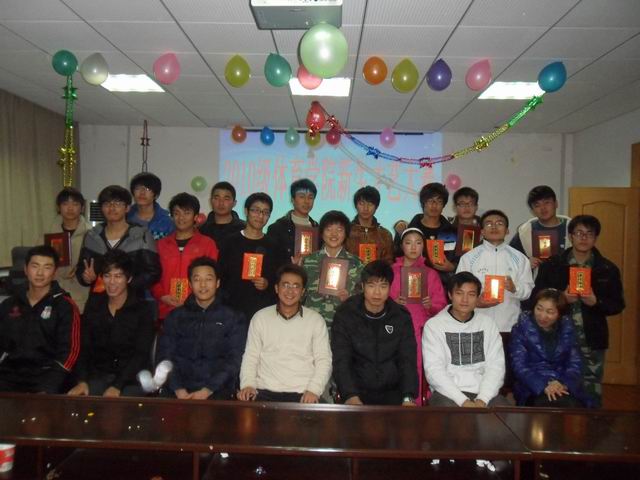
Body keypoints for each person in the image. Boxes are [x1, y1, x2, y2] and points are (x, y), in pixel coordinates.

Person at [531, 215, 624, 407]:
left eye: (589, 234)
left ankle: (592, 423)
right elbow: (536, 297)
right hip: (555, 338)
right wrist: (561, 298)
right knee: (556, 387)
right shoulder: (553, 264)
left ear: (595, 238)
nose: (583, 238)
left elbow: (617, 304)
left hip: (592, 338)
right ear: (571, 236)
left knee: (591, 389)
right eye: (579, 233)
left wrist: (596, 302)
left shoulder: (607, 268)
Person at [238, 264, 332, 403]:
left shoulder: (315, 320)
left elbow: (324, 360)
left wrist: (314, 390)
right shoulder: (260, 317)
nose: (290, 291)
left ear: (303, 291)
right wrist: (247, 385)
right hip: (265, 392)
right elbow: (251, 356)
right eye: (285, 285)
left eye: (296, 286)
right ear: (276, 288)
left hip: (304, 394)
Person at [157, 257, 247, 400]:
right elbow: (165, 355)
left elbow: (234, 359)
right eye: (197, 279)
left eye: (208, 279)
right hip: (177, 392)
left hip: (217, 392)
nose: (203, 284)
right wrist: (178, 389)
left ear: (218, 283)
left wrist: (208, 390)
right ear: (190, 284)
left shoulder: (234, 317)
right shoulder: (175, 317)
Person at [68, 250, 154, 397]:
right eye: (107, 276)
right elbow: (84, 347)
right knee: (78, 398)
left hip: (132, 379)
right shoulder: (94, 305)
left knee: (119, 404)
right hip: (99, 375)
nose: (112, 282)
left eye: (118, 276)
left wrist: (117, 386)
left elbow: (141, 354)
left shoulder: (142, 310)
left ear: (129, 278)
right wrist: (82, 380)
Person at [331, 260, 417, 406]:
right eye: (371, 285)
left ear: (390, 288)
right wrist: (350, 395)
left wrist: (408, 396)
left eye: (383, 286)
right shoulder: (345, 314)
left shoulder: (400, 316)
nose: (377, 292)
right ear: (363, 286)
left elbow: (407, 359)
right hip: (356, 391)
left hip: (393, 392)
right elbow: (342, 359)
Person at [0, 245, 81, 393]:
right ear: (26, 269)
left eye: (47, 267)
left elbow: (70, 352)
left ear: (54, 272)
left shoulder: (65, 306)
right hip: (10, 375)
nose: (40, 273)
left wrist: (50, 385)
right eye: (35, 266)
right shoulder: (9, 304)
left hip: (48, 376)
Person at [423, 272, 507, 407]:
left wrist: (483, 399)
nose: (465, 300)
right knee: (452, 415)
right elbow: (434, 370)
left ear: (478, 297)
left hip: (483, 393)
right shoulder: (434, 325)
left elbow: (496, 366)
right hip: (447, 394)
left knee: (505, 412)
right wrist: (463, 401)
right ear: (450, 295)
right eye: (459, 293)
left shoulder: (488, 324)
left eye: (471, 294)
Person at [390, 228, 447, 404]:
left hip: (420, 328)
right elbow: (379, 298)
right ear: (401, 246)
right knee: (393, 363)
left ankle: (418, 402)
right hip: (393, 328)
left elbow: (441, 304)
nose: (413, 247)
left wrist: (430, 306)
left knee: (418, 364)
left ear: (424, 246)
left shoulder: (431, 274)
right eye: (408, 243)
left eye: (418, 243)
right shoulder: (391, 271)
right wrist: (393, 302)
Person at [75, 185, 161, 302]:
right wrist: (86, 278)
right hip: (99, 301)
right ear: (101, 208)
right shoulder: (92, 236)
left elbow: (153, 272)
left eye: (118, 204)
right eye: (107, 204)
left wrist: (125, 284)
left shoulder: (142, 235)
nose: (112, 208)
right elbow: (81, 269)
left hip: (133, 301)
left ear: (127, 208)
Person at [456, 210, 534, 334]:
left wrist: (515, 288)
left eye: (499, 223)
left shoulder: (520, 258)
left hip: (509, 326)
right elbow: (458, 290)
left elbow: (528, 290)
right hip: (476, 326)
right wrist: (476, 302)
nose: (494, 227)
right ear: (482, 231)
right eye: (488, 224)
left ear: (507, 230)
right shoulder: (469, 258)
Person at [510, 289, 589, 407]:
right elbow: (519, 366)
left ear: (560, 314)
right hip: (532, 386)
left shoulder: (567, 329)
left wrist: (563, 383)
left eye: (550, 312)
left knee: (573, 406)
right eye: (539, 309)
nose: (542, 316)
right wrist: (544, 385)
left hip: (562, 384)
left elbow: (575, 363)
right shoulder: (520, 329)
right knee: (550, 403)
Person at [152, 193, 219, 325]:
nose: (181, 217)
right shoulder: (161, 245)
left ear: (196, 217)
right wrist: (162, 295)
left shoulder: (207, 244)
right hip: (166, 310)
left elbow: (213, 277)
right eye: (177, 213)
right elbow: (153, 275)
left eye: (187, 213)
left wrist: (194, 300)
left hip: (198, 311)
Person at [218, 192, 278, 322]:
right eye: (256, 210)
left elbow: (278, 279)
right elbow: (220, 277)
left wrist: (267, 283)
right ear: (246, 211)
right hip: (232, 311)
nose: (260, 216)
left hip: (263, 312)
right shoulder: (229, 242)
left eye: (265, 212)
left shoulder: (274, 246)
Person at [302, 210, 363, 329]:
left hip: (343, 327)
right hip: (312, 326)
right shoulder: (308, 261)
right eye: (329, 229)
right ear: (321, 233)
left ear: (346, 233)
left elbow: (364, 298)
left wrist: (350, 297)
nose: (334, 234)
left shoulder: (357, 263)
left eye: (339, 230)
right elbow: (300, 295)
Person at [393, 183, 458, 286]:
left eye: (439, 201)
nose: (434, 205)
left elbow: (459, 259)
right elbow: (397, 257)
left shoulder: (451, 232)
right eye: (430, 200)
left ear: (443, 205)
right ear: (423, 203)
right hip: (412, 284)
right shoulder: (409, 230)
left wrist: (452, 267)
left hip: (442, 285)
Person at [47, 187, 92, 312]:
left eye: (75, 204)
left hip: (83, 295)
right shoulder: (48, 233)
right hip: (54, 294)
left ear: (82, 208)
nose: (70, 208)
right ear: (58, 207)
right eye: (65, 203)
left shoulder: (91, 234)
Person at [510, 185, 571, 272]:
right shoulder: (525, 231)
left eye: (547, 202)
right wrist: (526, 261)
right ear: (532, 211)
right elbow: (510, 257)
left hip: (568, 278)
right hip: (536, 279)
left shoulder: (572, 228)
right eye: (537, 205)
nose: (543, 208)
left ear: (556, 204)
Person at [266, 178, 319, 269]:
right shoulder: (277, 228)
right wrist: (290, 265)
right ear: (292, 199)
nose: (306, 201)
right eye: (302, 197)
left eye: (310, 197)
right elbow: (270, 262)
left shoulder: (318, 229)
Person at [345, 186, 394, 265]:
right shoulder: (346, 231)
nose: (366, 208)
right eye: (361, 204)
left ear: (376, 207)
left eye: (370, 204)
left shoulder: (385, 235)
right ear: (356, 206)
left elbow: (389, 263)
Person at [127, 172, 175, 240]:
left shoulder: (167, 220)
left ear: (156, 195)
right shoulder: (125, 216)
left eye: (147, 189)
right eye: (138, 188)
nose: (142, 192)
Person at [199, 181, 246, 246]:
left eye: (226, 199)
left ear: (234, 203)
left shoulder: (244, 228)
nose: (221, 203)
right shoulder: (201, 230)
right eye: (216, 198)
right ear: (211, 201)